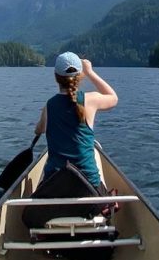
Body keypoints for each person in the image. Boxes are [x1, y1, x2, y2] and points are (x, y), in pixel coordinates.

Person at [34, 52, 118, 189]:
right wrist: (90, 72)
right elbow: (113, 98)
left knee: (47, 163)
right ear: (80, 76)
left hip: (55, 187)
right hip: (89, 187)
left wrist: (38, 128)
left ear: (56, 77)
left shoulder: (49, 106)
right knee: (95, 153)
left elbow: (39, 129)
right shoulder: (91, 100)